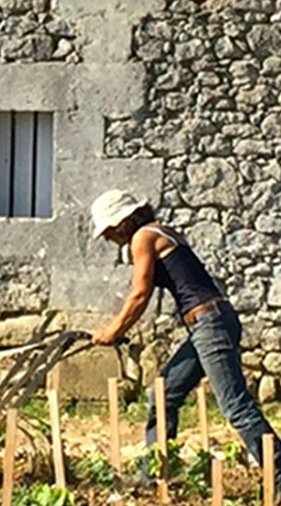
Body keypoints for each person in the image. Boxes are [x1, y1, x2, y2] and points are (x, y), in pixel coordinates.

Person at [89, 189, 277, 470]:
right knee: (163, 394)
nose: (106, 237)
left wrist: (112, 331)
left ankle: (279, 472)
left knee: (236, 407)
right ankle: (154, 473)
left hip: (209, 323)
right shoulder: (161, 232)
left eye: (109, 229)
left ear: (124, 221)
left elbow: (140, 294)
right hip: (211, 321)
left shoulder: (143, 236)